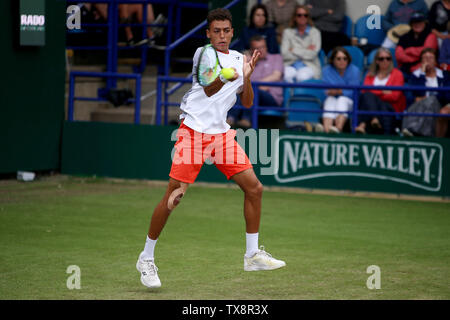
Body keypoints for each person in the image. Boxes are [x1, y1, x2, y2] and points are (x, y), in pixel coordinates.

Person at [136, 8, 286, 289]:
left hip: (220, 135)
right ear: (208, 33)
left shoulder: (240, 59)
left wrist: (247, 77)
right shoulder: (203, 54)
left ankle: (252, 254)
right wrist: (228, 75)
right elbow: (208, 90)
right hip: (193, 130)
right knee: (174, 196)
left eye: (226, 31)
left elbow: (249, 103)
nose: (221, 35)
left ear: (232, 32)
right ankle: (146, 258)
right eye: (216, 31)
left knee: (254, 188)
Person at [228, 35, 284, 128]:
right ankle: (230, 119)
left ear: (266, 47)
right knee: (238, 89)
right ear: (251, 50)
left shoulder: (276, 58)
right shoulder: (250, 62)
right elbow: (241, 79)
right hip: (252, 94)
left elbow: (276, 76)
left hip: (272, 98)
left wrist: (255, 85)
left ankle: (246, 119)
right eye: (257, 48)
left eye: (263, 47)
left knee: (252, 89)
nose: (261, 50)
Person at [356, 48, 406, 135]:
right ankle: (374, 119)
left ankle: (364, 124)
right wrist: (383, 91)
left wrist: (375, 92)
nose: (385, 61)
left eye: (388, 58)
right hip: (373, 105)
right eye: (381, 59)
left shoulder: (397, 74)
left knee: (371, 99)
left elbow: (395, 96)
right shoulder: (370, 74)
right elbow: (365, 90)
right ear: (377, 61)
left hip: (390, 107)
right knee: (367, 96)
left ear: (391, 60)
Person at [403, 48, 450, 137]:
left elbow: (447, 95)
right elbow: (414, 95)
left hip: (439, 104)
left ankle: (413, 130)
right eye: (425, 58)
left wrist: (432, 97)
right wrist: (422, 74)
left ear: (436, 61)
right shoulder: (415, 76)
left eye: (430, 58)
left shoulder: (444, 75)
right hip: (418, 106)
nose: (427, 60)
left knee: (431, 100)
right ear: (421, 61)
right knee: (428, 102)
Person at [319, 47, 361, 133]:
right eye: (338, 59)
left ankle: (338, 128)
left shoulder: (354, 70)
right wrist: (338, 91)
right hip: (332, 98)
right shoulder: (326, 70)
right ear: (333, 60)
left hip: (350, 102)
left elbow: (354, 92)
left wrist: (338, 91)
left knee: (342, 100)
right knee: (330, 100)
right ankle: (327, 130)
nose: (342, 61)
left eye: (345, 58)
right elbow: (325, 90)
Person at [281, 5, 322, 83]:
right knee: (286, 75)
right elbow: (284, 54)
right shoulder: (287, 32)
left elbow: (312, 54)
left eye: (305, 15)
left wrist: (293, 49)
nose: (302, 17)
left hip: (309, 65)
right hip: (290, 64)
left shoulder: (315, 32)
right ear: (295, 17)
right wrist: (306, 50)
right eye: (299, 15)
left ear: (308, 17)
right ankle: (288, 95)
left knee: (302, 76)